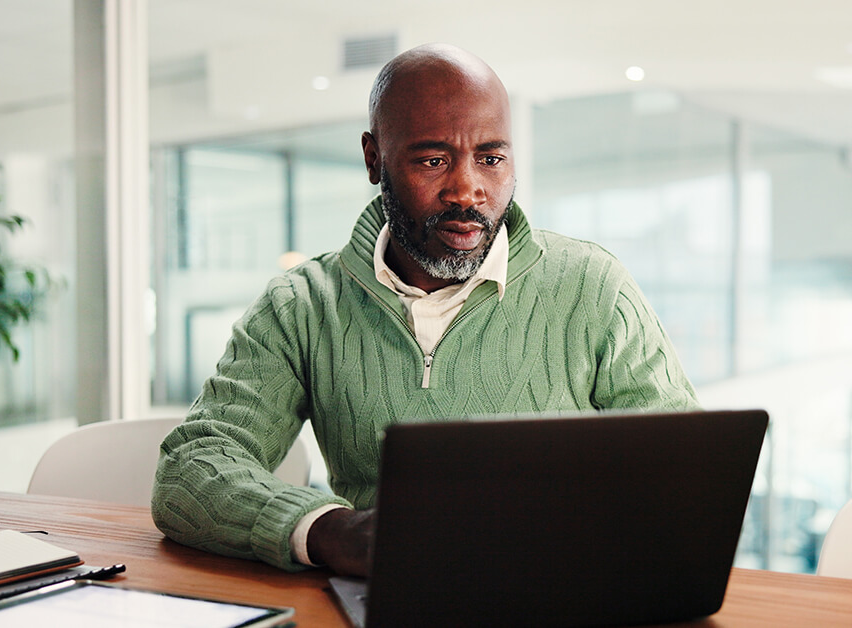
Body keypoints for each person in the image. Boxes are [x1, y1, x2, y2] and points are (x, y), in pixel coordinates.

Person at [152, 43, 698, 578]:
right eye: (434, 160)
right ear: (374, 158)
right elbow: (190, 470)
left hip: (570, 587)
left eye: (491, 158)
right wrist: (333, 533)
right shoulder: (302, 305)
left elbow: (688, 472)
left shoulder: (593, 286)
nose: (468, 189)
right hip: (390, 591)